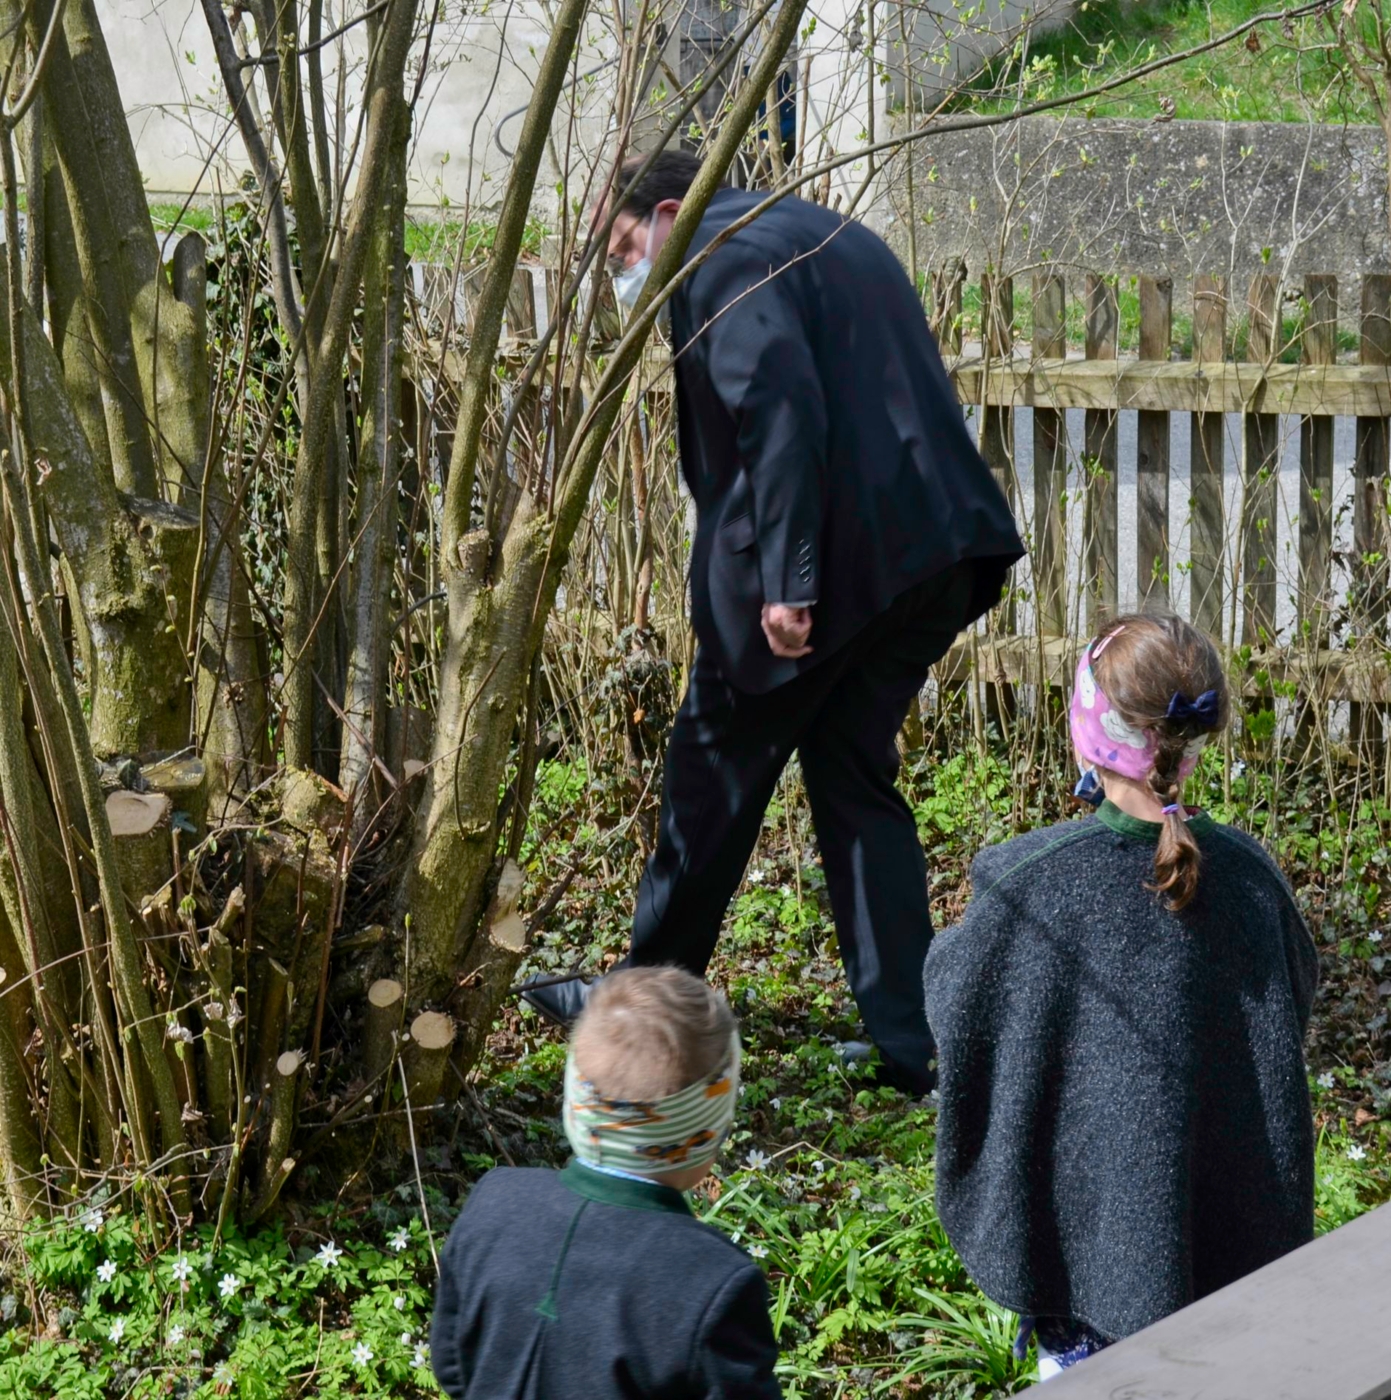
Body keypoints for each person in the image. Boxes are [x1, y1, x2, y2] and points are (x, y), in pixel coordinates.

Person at [523, 149, 1024, 1095]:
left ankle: (636, 1020)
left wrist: (789, 581)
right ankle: (915, 1046)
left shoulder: (719, 257)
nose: (620, 267)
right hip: (930, 554)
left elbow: (780, 404)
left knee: (709, 770)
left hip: (828, 574)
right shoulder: (807, 229)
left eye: (623, 242)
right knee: (850, 776)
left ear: (668, 210)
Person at [923, 614, 1318, 1381]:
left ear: (1085, 733)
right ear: (1198, 740)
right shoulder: (1252, 878)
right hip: (1231, 1250)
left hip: (1082, 1263)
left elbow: (954, 1004)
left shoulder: (1025, 884)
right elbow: (1291, 1004)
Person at [431, 966, 781, 1399]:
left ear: (576, 1103)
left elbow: (452, 1367)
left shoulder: (495, 1203)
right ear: (704, 1134)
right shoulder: (713, 1284)